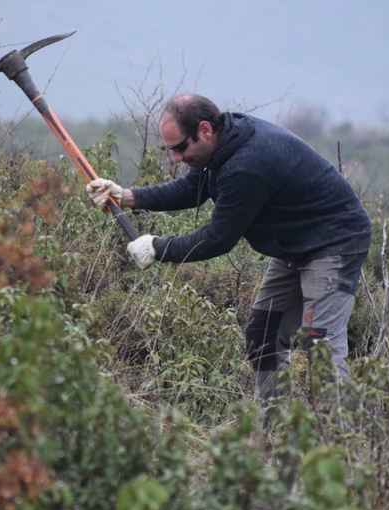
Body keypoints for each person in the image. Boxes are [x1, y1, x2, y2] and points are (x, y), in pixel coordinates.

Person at [86, 93, 372, 407]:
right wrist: (127, 196)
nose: (176, 159)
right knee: (263, 334)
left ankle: (344, 449)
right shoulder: (225, 142)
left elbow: (218, 239)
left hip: (336, 242)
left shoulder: (246, 164)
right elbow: (194, 187)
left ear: (205, 130)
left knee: (321, 347)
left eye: (181, 147)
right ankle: (280, 435)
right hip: (295, 244)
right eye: (171, 150)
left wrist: (157, 248)